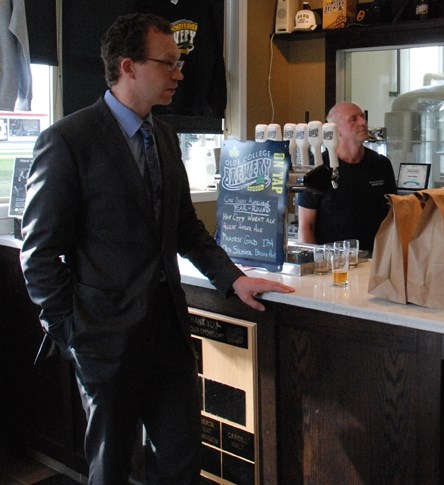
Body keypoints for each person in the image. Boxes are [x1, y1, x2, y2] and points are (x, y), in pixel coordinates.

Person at [19, 13, 294, 484]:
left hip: (168, 334)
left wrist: (233, 278)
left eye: (179, 62)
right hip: (102, 340)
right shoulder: (67, 141)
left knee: (182, 463)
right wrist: (72, 332)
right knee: (112, 468)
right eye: (167, 63)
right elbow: (38, 255)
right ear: (128, 67)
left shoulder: (165, 137)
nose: (180, 74)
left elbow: (186, 228)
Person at [297, 102, 398, 253]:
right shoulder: (317, 167)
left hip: (375, 261)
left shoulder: (381, 164)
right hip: (334, 264)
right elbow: (306, 226)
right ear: (335, 130)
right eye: (353, 119)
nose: (363, 122)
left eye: (363, 117)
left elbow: (393, 217)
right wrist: (315, 263)